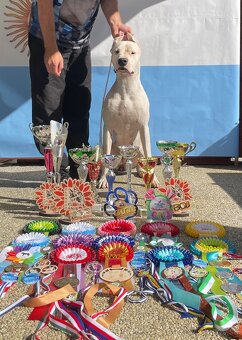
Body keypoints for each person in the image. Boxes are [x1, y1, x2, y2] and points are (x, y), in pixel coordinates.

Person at [28, 0, 132, 179]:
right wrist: (51, 49)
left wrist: (116, 23)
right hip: (47, 40)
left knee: (79, 108)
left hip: (80, 45)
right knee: (48, 113)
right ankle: (55, 174)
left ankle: (80, 172)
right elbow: (44, 4)